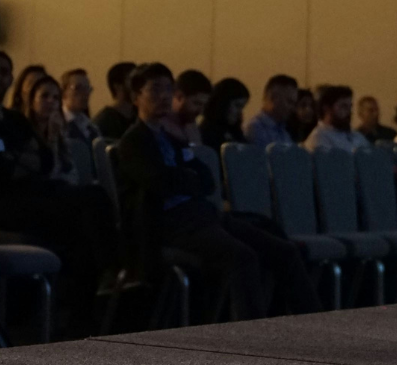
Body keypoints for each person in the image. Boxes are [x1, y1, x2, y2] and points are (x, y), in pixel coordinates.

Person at [115, 63, 316, 322]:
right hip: (173, 224)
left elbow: (207, 179)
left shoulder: (172, 140)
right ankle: (252, 335)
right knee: (243, 257)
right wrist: (186, 177)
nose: (164, 96)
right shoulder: (132, 142)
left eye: (168, 89)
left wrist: (182, 177)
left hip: (203, 215)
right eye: (155, 89)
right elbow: (160, 182)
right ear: (136, 97)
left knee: (284, 251)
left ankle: (311, 324)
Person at [0, 52, 111, 334]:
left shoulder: (15, 120)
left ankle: (83, 306)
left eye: (4, 72)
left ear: (12, 79)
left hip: (28, 195)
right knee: (80, 214)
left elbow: (44, 162)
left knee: (93, 198)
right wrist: (20, 161)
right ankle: (97, 292)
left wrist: (14, 160)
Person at [304, 84, 368, 152]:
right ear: (327, 108)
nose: (349, 111)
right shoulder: (318, 138)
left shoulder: (356, 136)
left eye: (350, 106)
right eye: (343, 106)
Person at [244, 73, 298, 148]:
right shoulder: (255, 129)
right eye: (289, 102)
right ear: (272, 98)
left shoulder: (283, 132)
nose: (293, 108)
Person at [92, 60, 138, 141]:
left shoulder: (140, 116)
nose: (138, 86)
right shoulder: (104, 122)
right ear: (117, 86)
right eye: (132, 81)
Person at [200, 76, 248, 149]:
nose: (239, 112)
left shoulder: (235, 131)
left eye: (242, 107)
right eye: (237, 106)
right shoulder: (208, 132)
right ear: (223, 103)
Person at [60, 67, 97, 144]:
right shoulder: (58, 123)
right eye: (78, 88)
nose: (85, 93)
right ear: (63, 92)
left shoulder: (90, 126)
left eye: (87, 88)